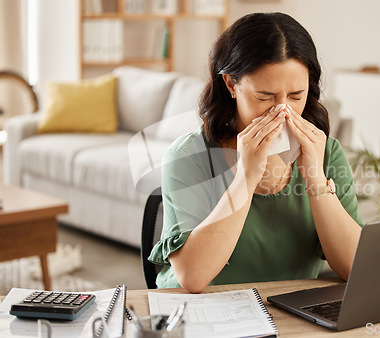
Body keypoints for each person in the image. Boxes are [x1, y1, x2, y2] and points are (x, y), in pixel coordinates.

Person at [149, 12, 363, 293]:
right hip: (200, 314)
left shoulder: (326, 153)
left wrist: (315, 180)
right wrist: (246, 177)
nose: (282, 110)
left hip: (289, 315)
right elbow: (192, 277)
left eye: (296, 95)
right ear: (230, 85)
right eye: (265, 97)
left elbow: (355, 267)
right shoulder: (190, 155)